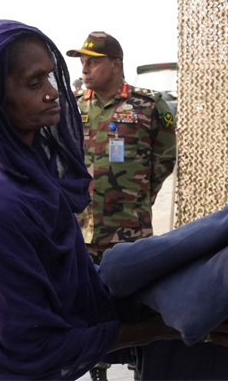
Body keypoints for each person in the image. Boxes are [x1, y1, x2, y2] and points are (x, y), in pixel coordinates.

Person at [0, 20, 228, 380]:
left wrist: (175, 300)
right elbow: (33, 344)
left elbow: (70, 287)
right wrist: (158, 328)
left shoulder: (27, 181)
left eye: (50, 79)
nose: (53, 93)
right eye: (34, 84)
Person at [66, 32, 176, 380]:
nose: (85, 69)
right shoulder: (73, 107)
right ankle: (96, 370)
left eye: (93, 61)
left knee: (136, 309)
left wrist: (140, 197)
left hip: (130, 231)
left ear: (115, 64)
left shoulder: (147, 104)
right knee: (88, 308)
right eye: (82, 62)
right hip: (81, 231)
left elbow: (164, 157)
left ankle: (139, 367)